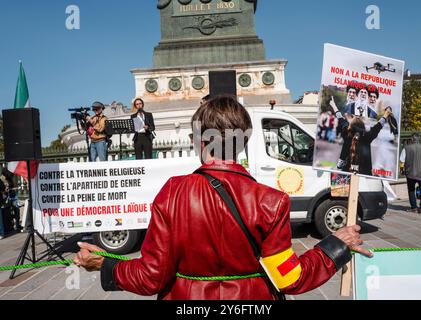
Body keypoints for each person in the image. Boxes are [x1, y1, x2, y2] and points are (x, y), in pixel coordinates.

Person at [74, 95, 372, 300]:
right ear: (244, 142)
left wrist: (105, 264)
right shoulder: (271, 201)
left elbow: (151, 276)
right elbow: (288, 278)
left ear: (197, 141)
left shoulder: (172, 193)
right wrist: (334, 247)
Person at [331, 96, 392, 175]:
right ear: (363, 126)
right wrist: (386, 114)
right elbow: (378, 126)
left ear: (351, 125)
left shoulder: (347, 132)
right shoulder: (367, 136)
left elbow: (340, 118)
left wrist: (333, 105)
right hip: (365, 174)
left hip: (347, 174)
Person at [399, 133, 421, 214]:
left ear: (412, 139)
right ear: (419, 139)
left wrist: (402, 170)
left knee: (411, 190)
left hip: (410, 173)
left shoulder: (406, 148)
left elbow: (402, 161)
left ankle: (414, 208)